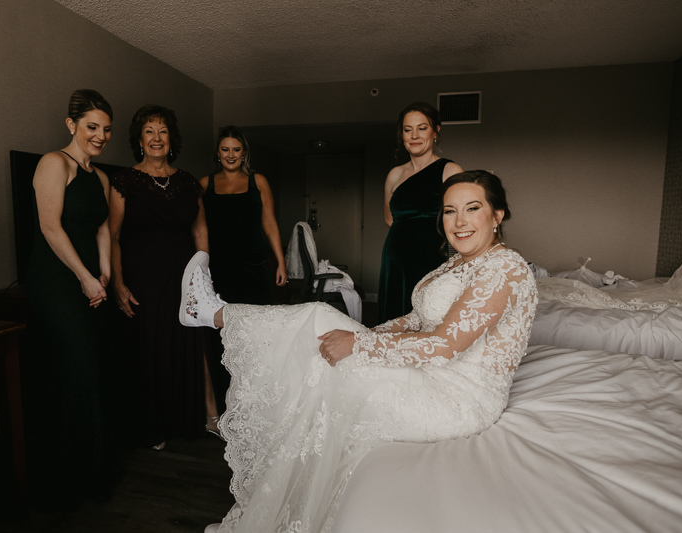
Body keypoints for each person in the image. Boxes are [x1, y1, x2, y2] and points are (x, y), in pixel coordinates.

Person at [181, 171, 537, 533]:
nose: (459, 222)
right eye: (449, 211)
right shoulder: (459, 263)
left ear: (497, 215)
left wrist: (359, 343)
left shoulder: (504, 267)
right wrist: (366, 334)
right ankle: (213, 314)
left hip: (460, 399)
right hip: (434, 376)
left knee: (319, 322)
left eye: (472, 208)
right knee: (321, 332)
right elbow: (417, 320)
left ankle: (214, 313)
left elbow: (444, 344)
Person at [24, 89, 118, 506]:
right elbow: (49, 226)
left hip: (88, 280)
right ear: (71, 125)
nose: (100, 136)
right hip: (56, 279)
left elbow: (101, 229)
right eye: (92, 127)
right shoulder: (52, 163)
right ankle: (68, 477)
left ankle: (92, 470)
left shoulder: (99, 177)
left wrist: (105, 273)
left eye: (106, 130)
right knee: (75, 364)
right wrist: (83, 277)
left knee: (92, 367)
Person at [109, 104, 215, 449]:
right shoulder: (124, 181)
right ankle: (155, 424)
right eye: (149, 132)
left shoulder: (187, 181)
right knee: (152, 347)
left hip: (185, 273)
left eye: (163, 131)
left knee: (190, 342)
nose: (157, 138)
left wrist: (203, 279)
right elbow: (112, 236)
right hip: (144, 276)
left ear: (172, 139)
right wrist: (119, 284)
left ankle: (201, 416)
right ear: (140, 140)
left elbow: (200, 231)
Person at [199, 125, 287, 416]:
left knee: (258, 332)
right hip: (221, 270)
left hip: (254, 267)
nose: (231, 155)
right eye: (225, 149)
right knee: (224, 336)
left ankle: (260, 399)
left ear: (244, 152)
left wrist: (281, 261)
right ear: (218, 153)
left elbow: (270, 223)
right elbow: (197, 229)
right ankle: (229, 402)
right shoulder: (205, 184)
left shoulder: (257, 181)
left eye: (236, 149)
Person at [378, 102, 463, 323]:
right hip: (395, 259)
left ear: (436, 130)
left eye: (422, 128)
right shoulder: (394, 175)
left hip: (431, 258)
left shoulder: (450, 170)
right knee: (394, 319)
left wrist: (453, 266)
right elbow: (390, 218)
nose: (414, 136)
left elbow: (461, 222)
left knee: (426, 319)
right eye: (408, 130)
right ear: (402, 134)